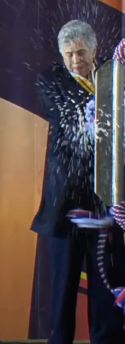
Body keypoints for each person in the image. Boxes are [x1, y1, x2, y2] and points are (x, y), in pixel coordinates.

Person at [31, 19, 125, 344]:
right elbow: (64, 115)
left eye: (81, 53)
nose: (75, 61)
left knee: (105, 290)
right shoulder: (51, 79)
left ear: (95, 49)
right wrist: (94, 113)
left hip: (105, 204)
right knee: (62, 292)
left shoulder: (113, 78)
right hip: (65, 207)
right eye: (69, 54)